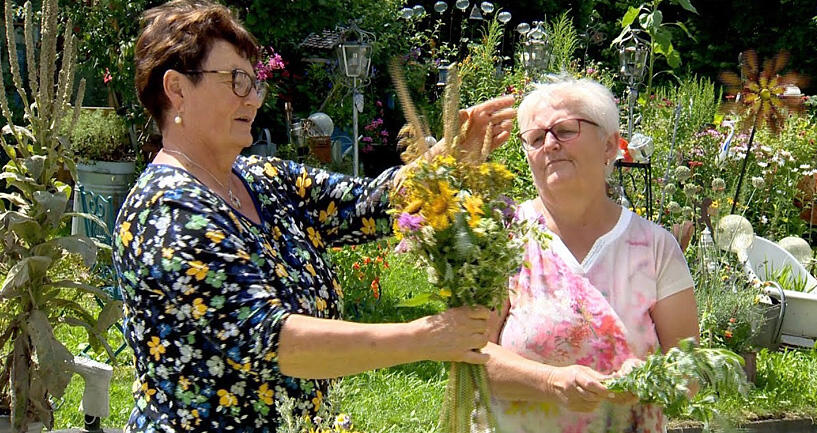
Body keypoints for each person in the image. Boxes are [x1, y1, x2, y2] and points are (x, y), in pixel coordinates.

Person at [114, 1, 516, 431]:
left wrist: (450, 158)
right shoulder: (166, 213)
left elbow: (369, 203)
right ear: (177, 88)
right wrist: (427, 337)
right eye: (236, 80)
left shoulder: (261, 180)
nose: (253, 98)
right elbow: (274, 343)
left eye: (254, 82)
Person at [480, 75, 699, 432]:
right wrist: (551, 382)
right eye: (536, 138)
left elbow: (690, 375)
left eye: (565, 130)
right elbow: (469, 356)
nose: (550, 144)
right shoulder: (502, 238)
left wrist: (647, 378)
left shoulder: (655, 247)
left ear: (610, 145)